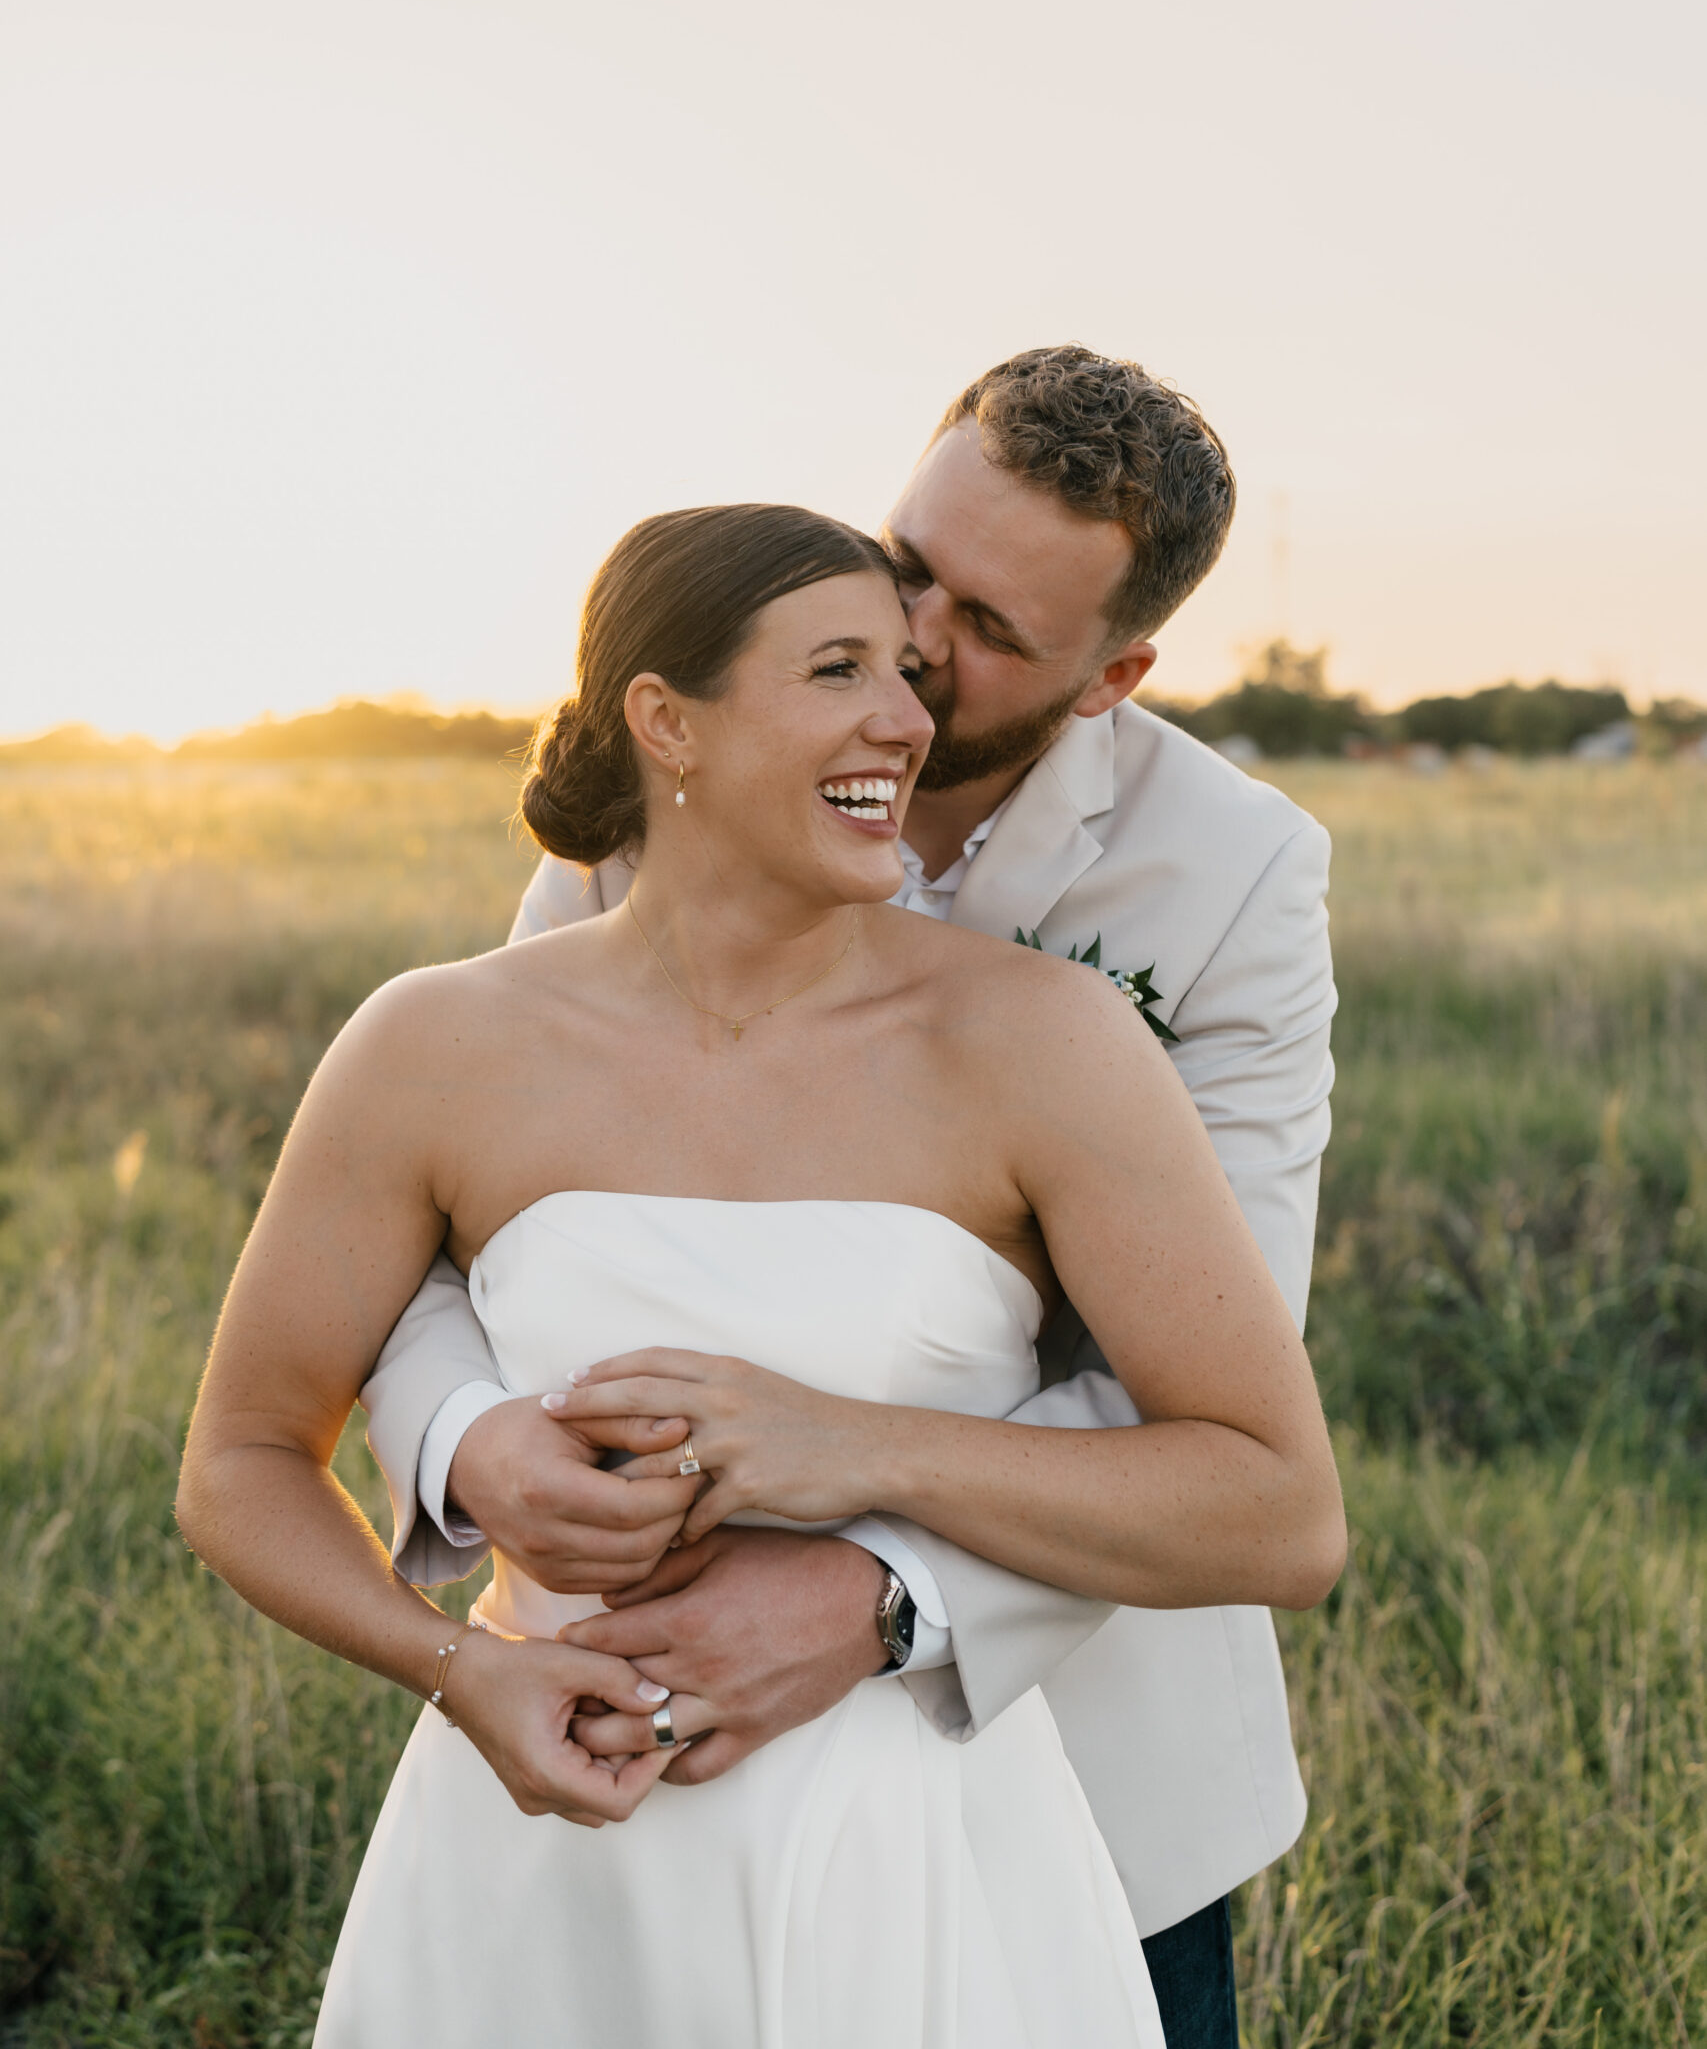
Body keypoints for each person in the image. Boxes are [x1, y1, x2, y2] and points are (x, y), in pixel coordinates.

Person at [176, 499, 1344, 2049]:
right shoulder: (437, 1040)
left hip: (927, 1849)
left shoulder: (1052, 1040)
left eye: (929, 665)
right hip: (537, 1856)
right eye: (845, 666)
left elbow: (1280, 1504)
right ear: (665, 721)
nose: (911, 707)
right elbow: (243, 1461)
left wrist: (853, 1452)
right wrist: (462, 1670)